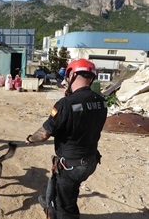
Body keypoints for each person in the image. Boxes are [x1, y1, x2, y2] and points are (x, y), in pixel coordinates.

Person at [25, 58, 107, 219]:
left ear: (72, 75)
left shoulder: (66, 104)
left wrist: (30, 139)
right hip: (90, 160)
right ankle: (51, 205)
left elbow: (43, 134)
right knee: (64, 191)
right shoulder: (102, 101)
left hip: (71, 166)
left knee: (66, 207)